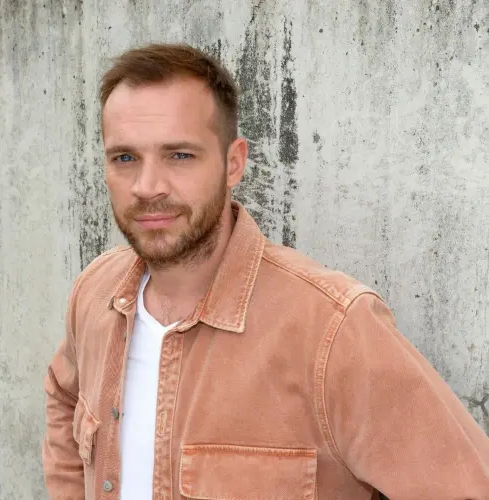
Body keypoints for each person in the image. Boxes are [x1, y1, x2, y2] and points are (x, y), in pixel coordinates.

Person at [42, 43, 489, 500]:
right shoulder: (95, 293)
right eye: (125, 158)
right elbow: (64, 394)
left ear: (234, 162)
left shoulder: (331, 328)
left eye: (179, 155)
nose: (147, 186)